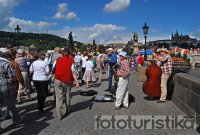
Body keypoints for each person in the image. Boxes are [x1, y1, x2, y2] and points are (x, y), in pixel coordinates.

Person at [54, 48, 79, 120]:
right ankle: (68, 109)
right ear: (69, 53)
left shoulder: (58, 59)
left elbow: (53, 69)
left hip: (58, 79)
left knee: (59, 97)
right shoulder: (71, 61)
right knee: (67, 95)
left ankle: (59, 114)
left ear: (62, 53)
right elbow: (73, 72)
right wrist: (76, 81)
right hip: (67, 80)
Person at [0, 52, 22, 128]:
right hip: (6, 88)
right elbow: (13, 76)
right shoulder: (6, 63)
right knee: (11, 105)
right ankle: (16, 120)